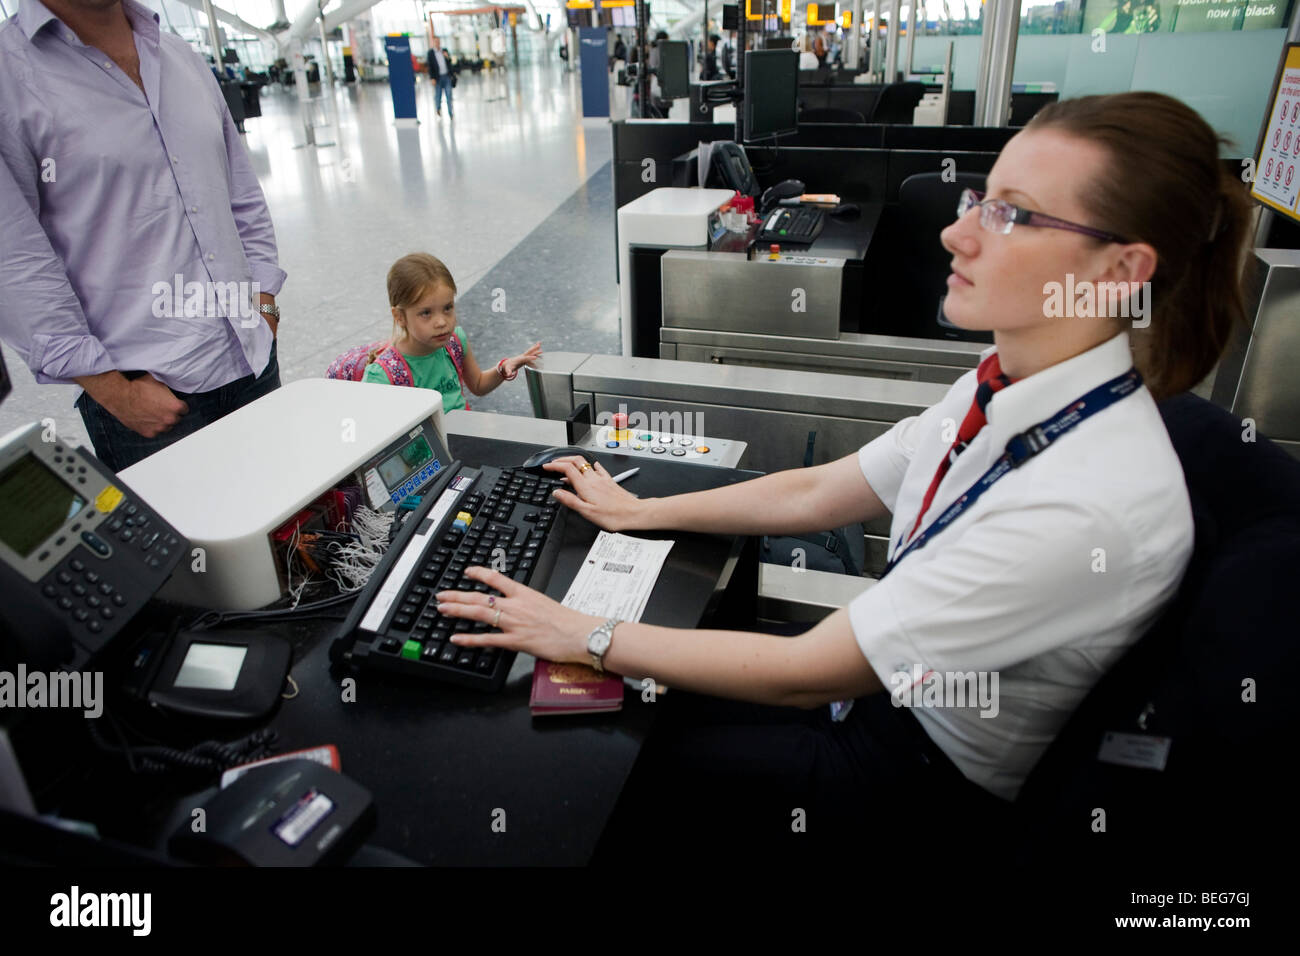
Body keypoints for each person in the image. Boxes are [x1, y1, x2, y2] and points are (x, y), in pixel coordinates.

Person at [432, 92, 1253, 856]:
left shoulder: (1089, 503)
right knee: (609, 701)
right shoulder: (1003, 379)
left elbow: (805, 673)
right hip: (864, 692)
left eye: (1012, 217)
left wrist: (587, 635)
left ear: (1121, 271)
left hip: (905, 778)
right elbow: (822, 489)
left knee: (582, 759)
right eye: (980, 199)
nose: (958, 234)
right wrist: (638, 510)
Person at [0, 0, 284, 473]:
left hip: (251, 359)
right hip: (146, 398)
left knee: (289, 532)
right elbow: (14, 257)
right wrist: (113, 390)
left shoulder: (178, 56)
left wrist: (266, 302)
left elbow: (241, 193)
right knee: (185, 545)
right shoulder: (10, 77)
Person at [358, 254, 541, 413]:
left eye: (447, 308)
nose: (441, 322)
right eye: (426, 313)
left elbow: (477, 384)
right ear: (399, 316)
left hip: (462, 437)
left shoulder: (454, 342)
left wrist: (503, 368)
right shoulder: (383, 376)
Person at [426, 35, 457, 119]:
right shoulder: (430, 53)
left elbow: (450, 63)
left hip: (446, 76)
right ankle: (438, 109)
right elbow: (430, 66)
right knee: (438, 95)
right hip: (438, 78)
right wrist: (432, 78)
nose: (437, 43)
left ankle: (451, 113)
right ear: (433, 43)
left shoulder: (444, 51)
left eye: (438, 41)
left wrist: (447, 57)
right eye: (436, 42)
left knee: (449, 95)